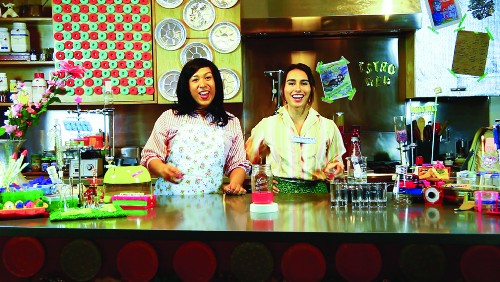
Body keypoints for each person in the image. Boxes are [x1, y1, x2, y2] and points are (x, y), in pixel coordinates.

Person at [141, 58, 250, 196]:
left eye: (208, 78)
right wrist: (162, 169)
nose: (203, 84)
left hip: (210, 205)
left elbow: (237, 163)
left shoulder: (231, 122)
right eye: (195, 79)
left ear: (216, 83)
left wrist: (235, 183)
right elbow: (150, 155)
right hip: (171, 206)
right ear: (186, 87)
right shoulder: (169, 117)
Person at [245, 63, 346, 193]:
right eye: (291, 83)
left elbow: (336, 164)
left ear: (312, 89)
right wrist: (262, 177)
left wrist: (336, 169)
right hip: (280, 196)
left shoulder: (328, 126)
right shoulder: (267, 125)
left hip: (318, 198)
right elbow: (248, 159)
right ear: (283, 89)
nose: (297, 89)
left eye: (304, 83)